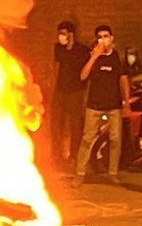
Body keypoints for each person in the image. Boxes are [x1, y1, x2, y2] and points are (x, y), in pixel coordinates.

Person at [73, 25, 128, 184]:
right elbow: (83, 76)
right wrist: (94, 57)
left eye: (106, 36)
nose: (103, 39)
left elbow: (123, 80)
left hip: (114, 105)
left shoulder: (118, 57)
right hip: (94, 105)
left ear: (112, 38)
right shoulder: (92, 57)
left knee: (115, 139)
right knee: (87, 139)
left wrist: (126, 103)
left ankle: (113, 172)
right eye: (100, 36)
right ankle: (80, 172)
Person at [49, 21, 90, 169]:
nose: (61, 36)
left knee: (75, 125)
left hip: (76, 92)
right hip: (61, 92)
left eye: (63, 33)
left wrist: (85, 94)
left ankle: (74, 156)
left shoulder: (82, 51)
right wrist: (53, 90)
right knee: (57, 124)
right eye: (59, 33)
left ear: (71, 34)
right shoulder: (59, 49)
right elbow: (56, 68)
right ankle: (57, 156)